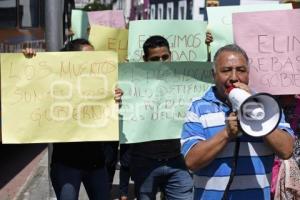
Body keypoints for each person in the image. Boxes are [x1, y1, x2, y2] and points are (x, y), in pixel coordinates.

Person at [181, 44, 294, 200]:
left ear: (248, 74)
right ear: (213, 74)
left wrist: (258, 116)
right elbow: (191, 161)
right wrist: (226, 134)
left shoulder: (266, 106)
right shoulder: (199, 107)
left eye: (241, 70)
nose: (234, 77)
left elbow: (287, 150)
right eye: (226, 70)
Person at [23, 38, 123, 200]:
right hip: (66, 165)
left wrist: (116, 99)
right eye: (87, 57)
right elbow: (31, 84)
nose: (93, 61)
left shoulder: (103, 82)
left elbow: (110, 116)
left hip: (96, 163)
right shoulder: (57, 82)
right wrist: (29, 59)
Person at [130, 35, 194, 200]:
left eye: (165, 57)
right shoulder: (131, 83)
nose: (161, 61)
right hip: (145, 161)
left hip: (177, 160)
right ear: (145, 59)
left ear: (171, 56)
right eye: (155, 59)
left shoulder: (186, 81)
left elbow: (208, 77)